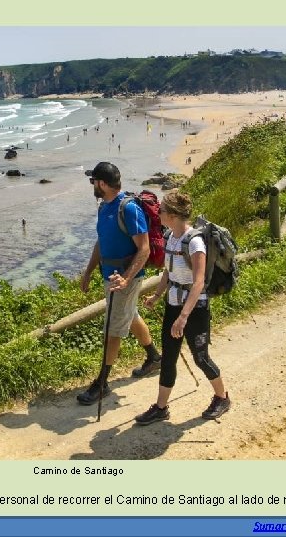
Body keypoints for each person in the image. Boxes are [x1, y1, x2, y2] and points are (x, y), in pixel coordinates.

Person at [135, 191, 230, 424]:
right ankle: (161, 407)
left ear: (174, 215)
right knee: (168, 357)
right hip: (173, 305)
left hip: (194, 309)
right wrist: (157, 296)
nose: (159, 212)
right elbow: (168, 271)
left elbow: (198, 282)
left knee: (201, 358)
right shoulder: (170, 237)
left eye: (163, 210)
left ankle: (222, 397)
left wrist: (183, 317)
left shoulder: (195, 242)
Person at [77, 162, 161, 406]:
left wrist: (126, 278)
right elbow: (101, 242)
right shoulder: (104, 207)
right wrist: (88, 271)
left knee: (113, 328)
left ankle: (102, 383)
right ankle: (154, 357)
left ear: (102, 184)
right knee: (130, 315)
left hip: (125, 279)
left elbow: (144, 249)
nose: (92, 184)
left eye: (94, 181)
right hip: (110, 276)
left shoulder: (129, 209)